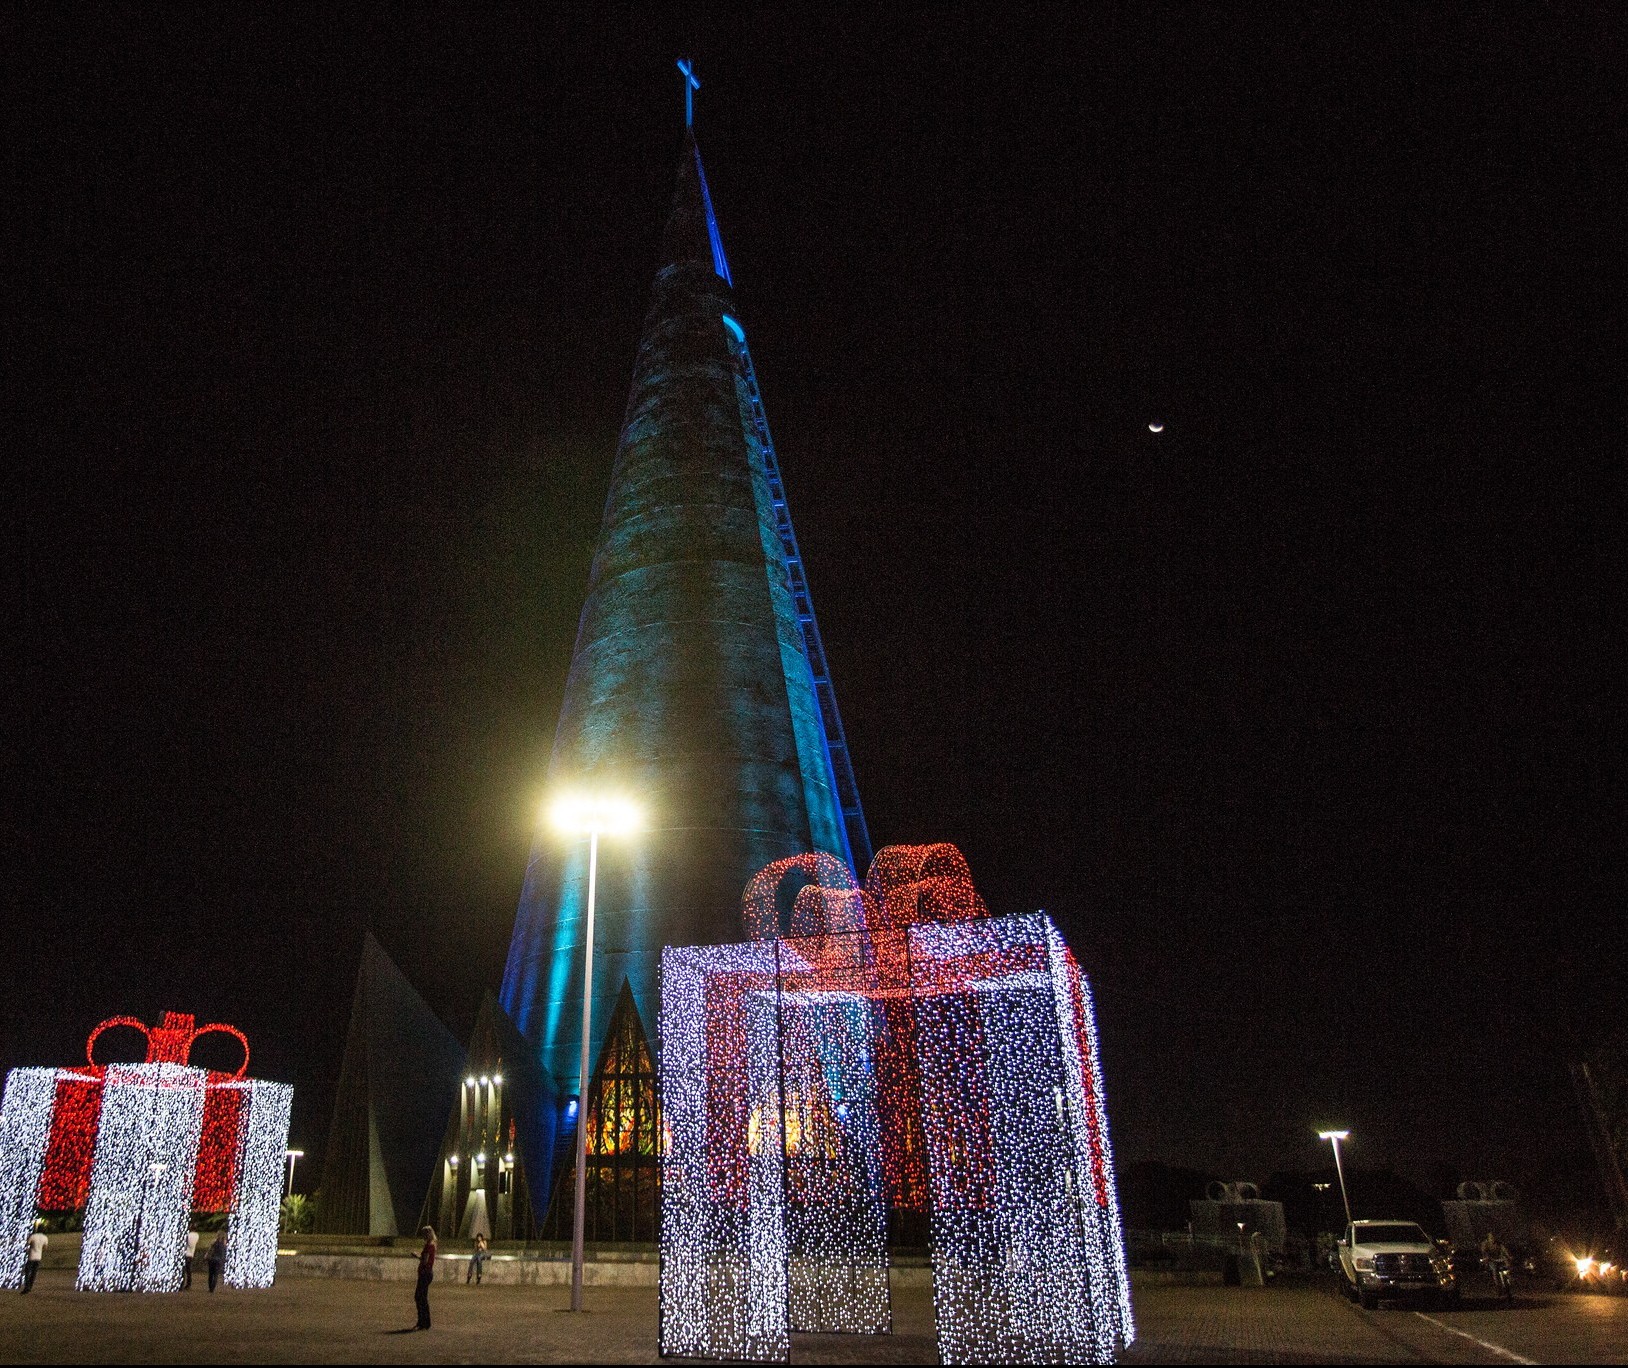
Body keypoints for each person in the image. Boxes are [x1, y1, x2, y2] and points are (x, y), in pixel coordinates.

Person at [415, 1226, 437, 1330]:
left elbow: (425, 1261)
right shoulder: (432, 1245)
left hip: (425, 1273)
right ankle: (424, 1322)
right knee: (422, 1297)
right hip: (427, 1273)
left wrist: (417, 1256)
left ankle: (424, 1322)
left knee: (420, 1297)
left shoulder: (429, 1246)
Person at [21, 1226, 47, 1294]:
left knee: (27, 1271)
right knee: (34, 1272)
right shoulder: (45, 1238)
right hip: (39, 1257)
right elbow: (45, 1247)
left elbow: (27, 1244)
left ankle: (27, 1286)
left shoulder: (33, 1236)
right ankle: (30, 1286)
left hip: (31, 1256)